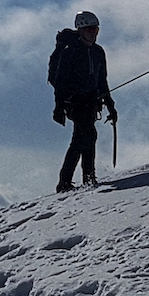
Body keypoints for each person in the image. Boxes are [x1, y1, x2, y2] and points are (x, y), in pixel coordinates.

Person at [48, 10, 116, 192]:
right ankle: (78, 179)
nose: (93, 33)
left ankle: (81, 178)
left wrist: (110, 104)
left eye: (95, 30)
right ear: (80, 30)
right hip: (74, 103)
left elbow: (102, 80)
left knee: (84, 137)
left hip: (91, 102)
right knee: (86, 136)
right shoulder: (70, 53)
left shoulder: (98, 52)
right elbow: (60, 82)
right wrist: (59, 107)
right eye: (89, 29)